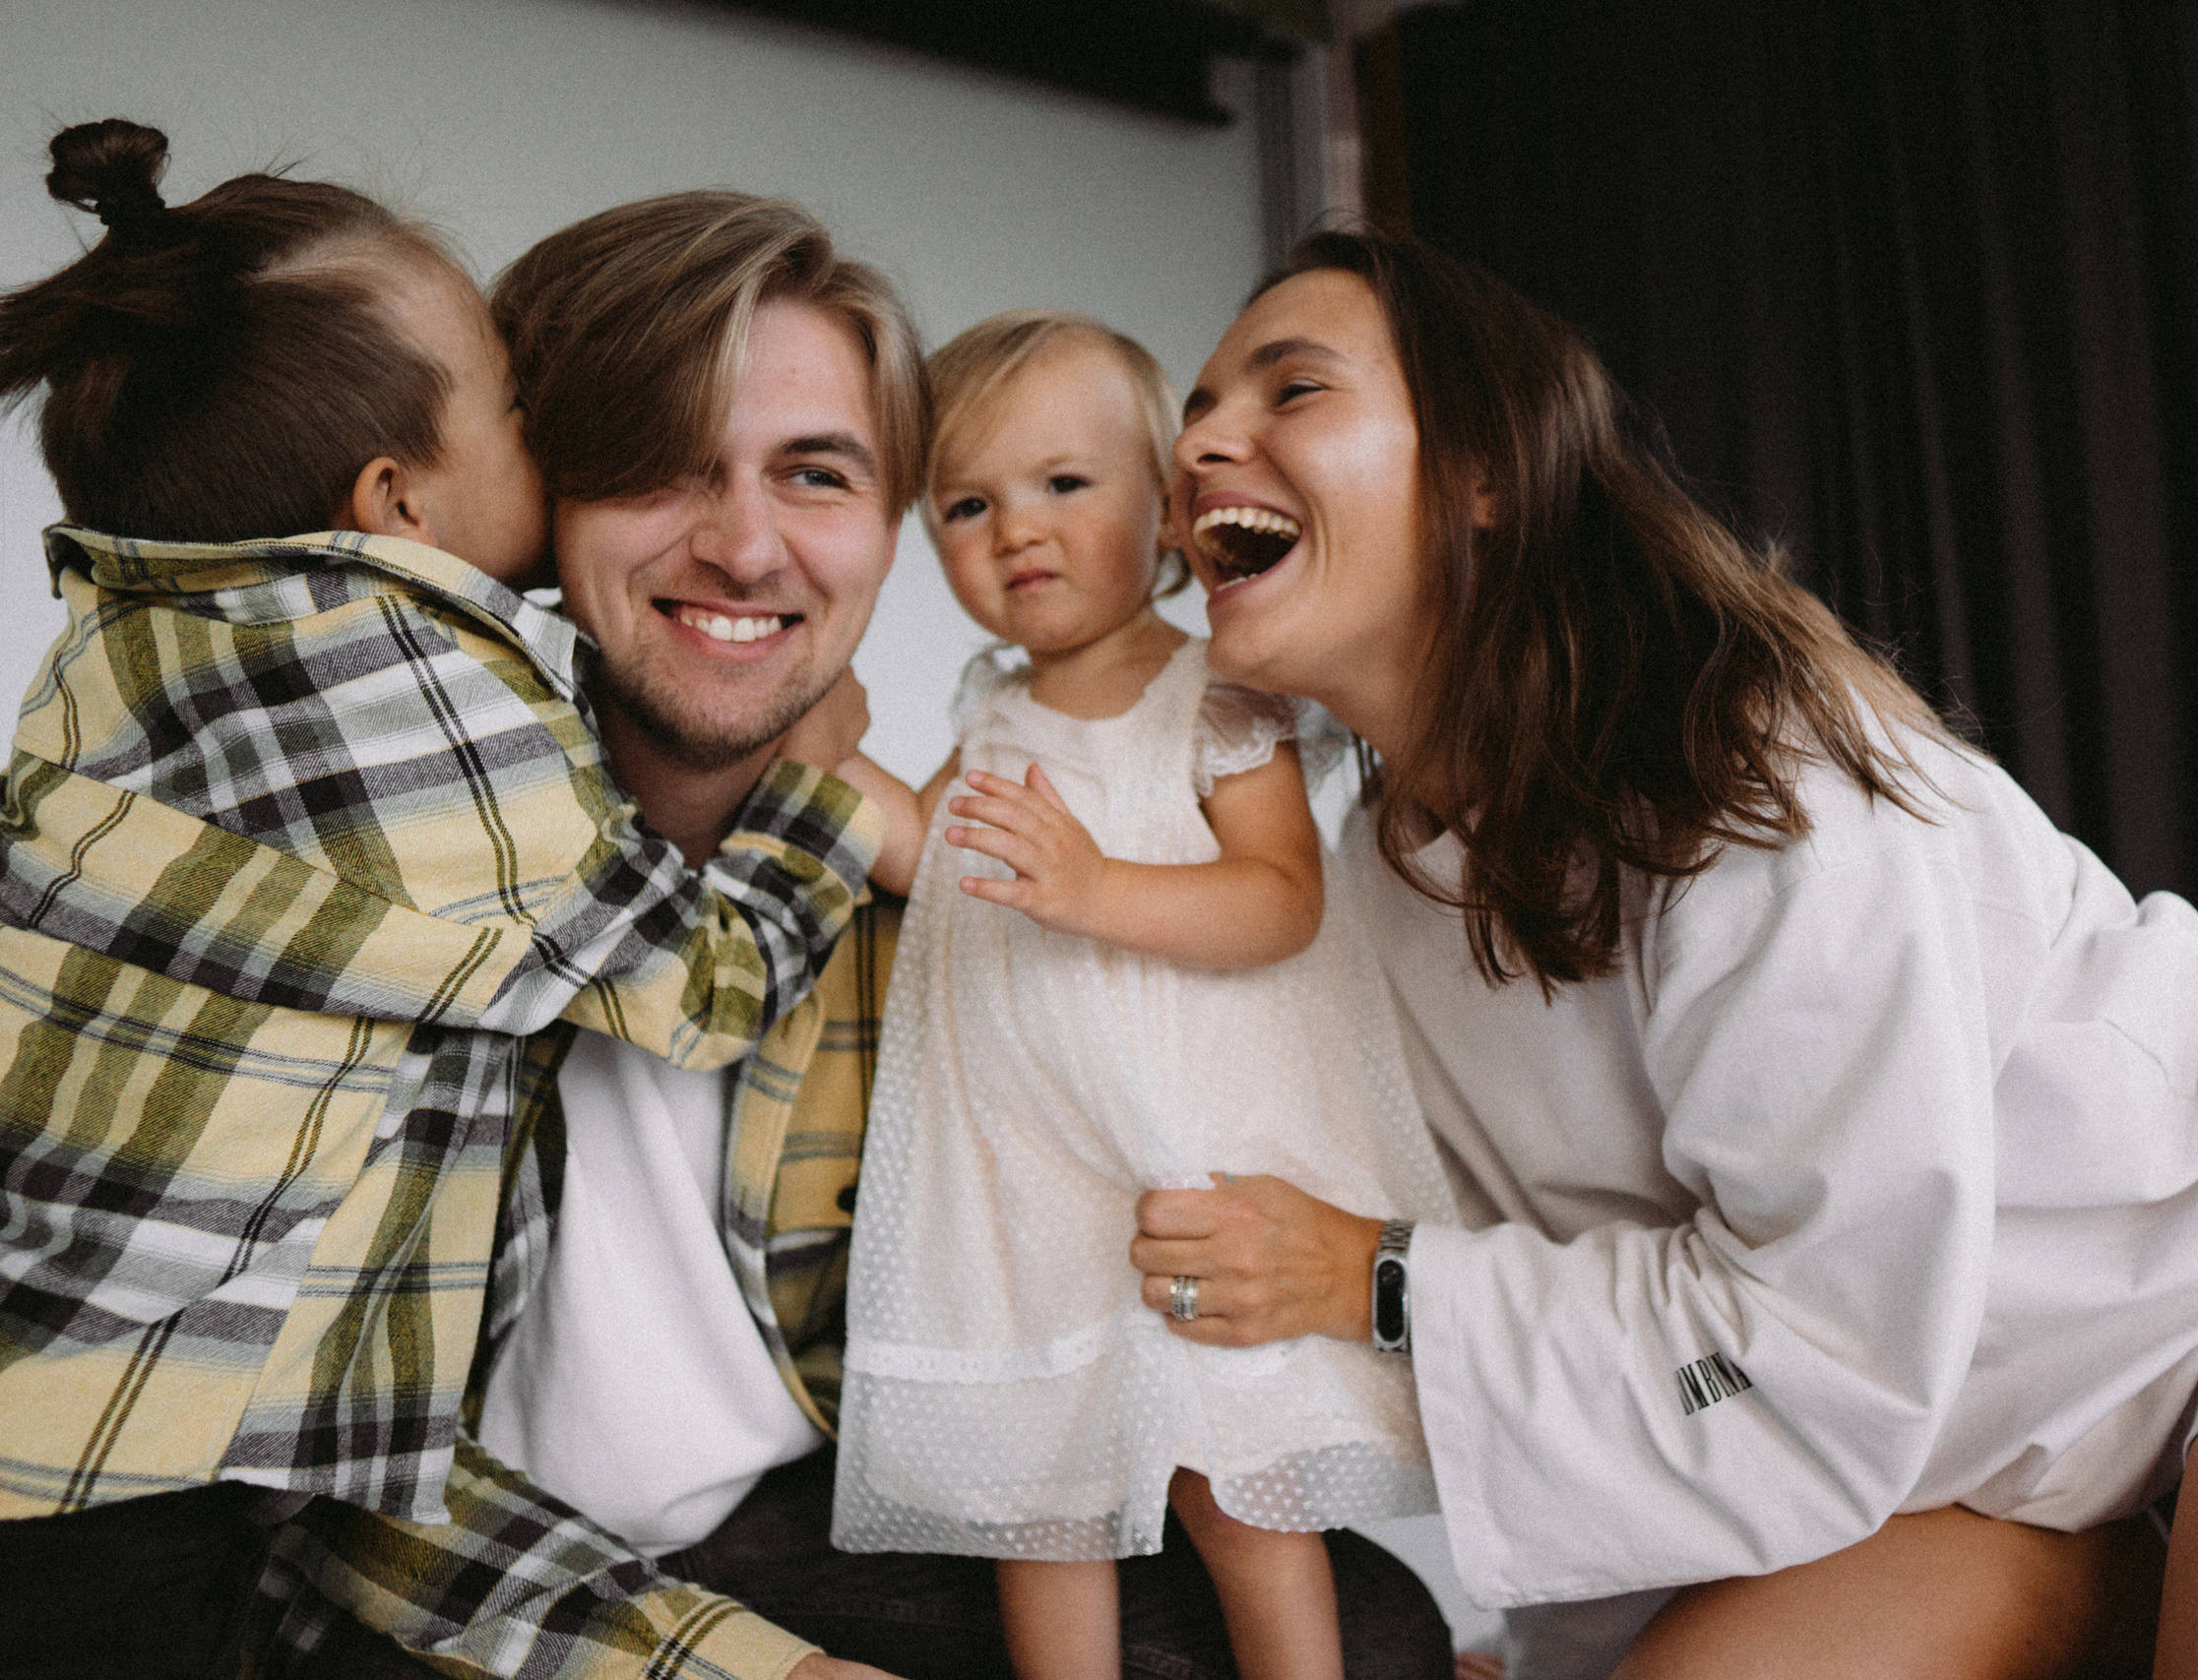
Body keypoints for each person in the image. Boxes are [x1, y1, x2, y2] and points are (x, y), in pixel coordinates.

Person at [1129, 227, 2198, 1680]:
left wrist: (1383, 1275)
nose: (1207, 441)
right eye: (1195, 415)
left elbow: (1810, 1333)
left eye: (1291, 390)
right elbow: (1660, 1358)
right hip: (1974, 1437)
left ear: (1487, 471)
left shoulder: (1742, 763)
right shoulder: (1365, 876)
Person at [253, 198, 1453, 1680]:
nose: (748, 545)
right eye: (666, 467)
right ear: (541, 489)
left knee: (1382, 1626)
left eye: (815, 475)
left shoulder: (924, 896)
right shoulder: (395, 831)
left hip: (787, 1505)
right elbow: (297, 1479)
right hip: (473, 1550)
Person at [0, 126, 875, 1680]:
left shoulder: (128, 667)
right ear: (398, 499)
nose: (743, 541)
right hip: (122, 1523)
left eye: (816, 473)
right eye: (540, 415)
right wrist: (830, 791)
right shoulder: (422, 707)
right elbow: (708, 983)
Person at [826, 310, 1453, 1680]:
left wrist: (1096, 886)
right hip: (1034, 1171)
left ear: (1170, 515)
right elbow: (931, 858)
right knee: (1040, 1500)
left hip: (1187, 1153)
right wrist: (817, 744)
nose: (1017, 533)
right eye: (968, 505)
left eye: (1065, 485)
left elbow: (1282, 897)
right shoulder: (993, 710)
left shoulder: (1213, 694)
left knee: (1228, 1481)